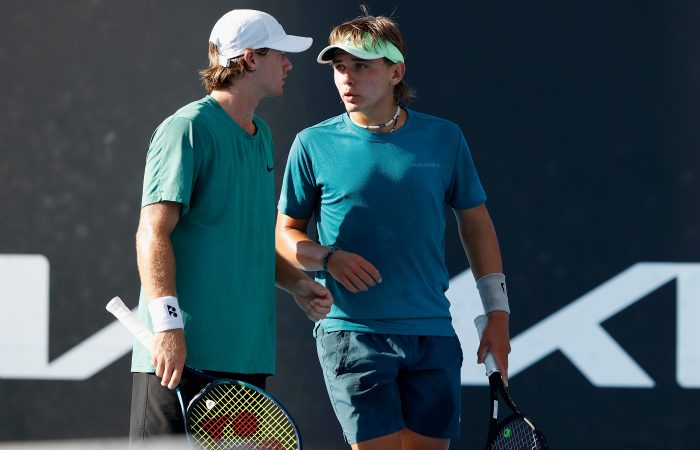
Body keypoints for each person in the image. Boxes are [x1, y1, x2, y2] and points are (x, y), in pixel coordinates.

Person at [276, 9, 511, 450]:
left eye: (361, 66)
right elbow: (285, 234)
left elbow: (476, 225)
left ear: (395, 71)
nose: (347, 79)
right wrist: (327, 256)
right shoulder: (312, 142)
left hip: (432, 333)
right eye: (339, 68)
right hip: (352, 334)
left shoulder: (444, 138)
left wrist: (497, 314)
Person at [128, 9, 333, 446]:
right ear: (250, 58)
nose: (289, 64)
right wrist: (167, 329)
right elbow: (152, 233)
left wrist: (297, 283)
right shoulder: (186, 129)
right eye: (280, 54)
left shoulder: (261, 136)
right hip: (179, 358)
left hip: (245, 359)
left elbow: (246, 241)